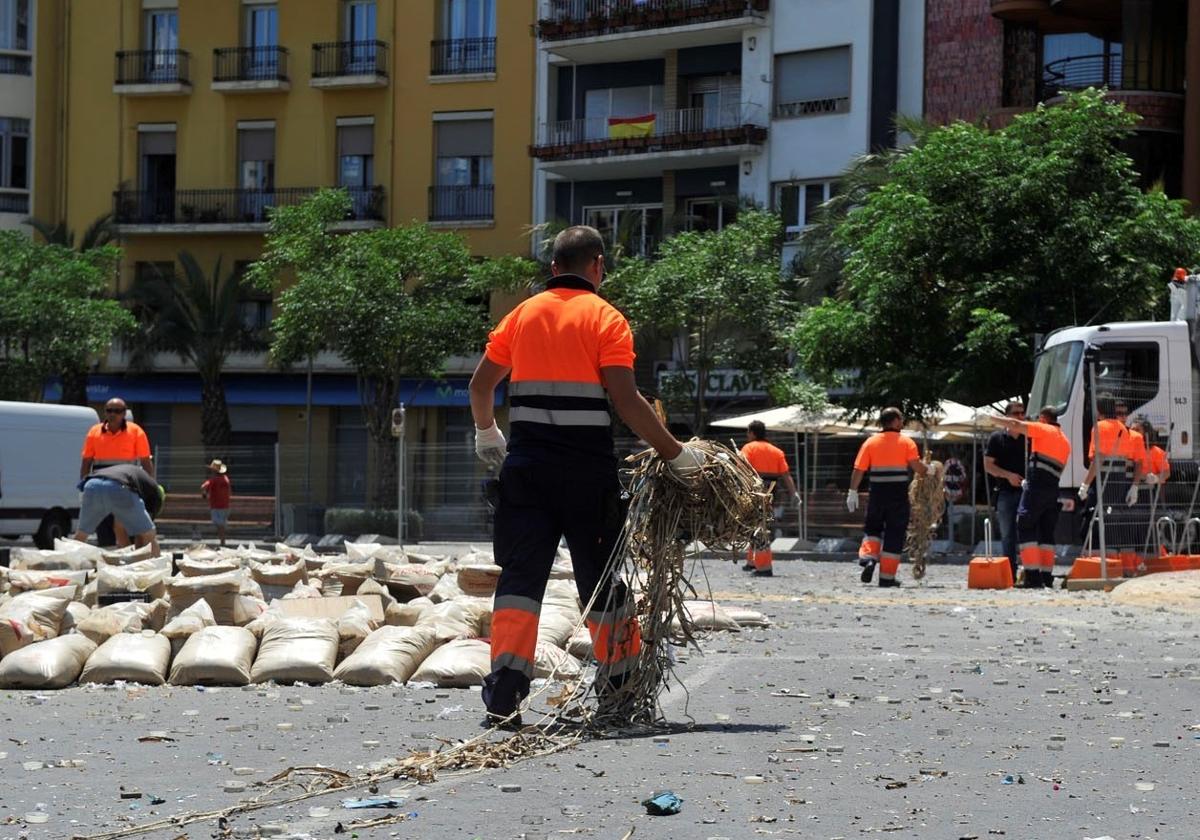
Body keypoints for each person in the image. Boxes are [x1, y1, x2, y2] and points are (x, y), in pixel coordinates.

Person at [468, 225, 705, 728]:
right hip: (586, 473)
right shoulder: (607, 319)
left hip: (526, 472)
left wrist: (488, 433)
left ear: (553, 268)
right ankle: (620, 691)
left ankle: (505, 695)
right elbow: (625, 401)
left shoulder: (522, 314)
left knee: (519, 580)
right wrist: (675, 453)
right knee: (601, 581)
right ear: (597, 266)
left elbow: (480, 385)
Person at [846, 408, 930, 587]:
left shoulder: (870, 442)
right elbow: (917, 467)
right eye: (900, 419)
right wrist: (929, 470)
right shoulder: (906, 442)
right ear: (894, 421)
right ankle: (886, 577)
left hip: (877, 494)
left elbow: (858, 470)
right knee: (894, 534)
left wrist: (852, 491)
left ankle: (868, 559)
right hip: (898, 496)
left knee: (872, 529)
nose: (902, 422)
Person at [994, 405, 1070, 588]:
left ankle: (1033, 576)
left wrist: (992, 419)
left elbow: (1015, 424)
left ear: (1043, 418)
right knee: (1046, 532)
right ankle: (1046, 576)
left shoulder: (1043, 429)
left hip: (1037, 486)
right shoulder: (1065, 441)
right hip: (1053, 488)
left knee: (1025, 524)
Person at [1078, 395, 1145, 576]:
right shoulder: (1124, 429)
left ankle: (1102, 567)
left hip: (1102, 480)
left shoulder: (1098, 428)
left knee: (1096, 520)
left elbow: (1097, 459)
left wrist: (1085, 484)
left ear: (1098, 410)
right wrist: (1134, 486)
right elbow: (1135, 461)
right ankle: (1122, 567)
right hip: (1121, 479)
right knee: (1117, 522)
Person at [79, 398, 154, 547]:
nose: (113, 414)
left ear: (124, 413)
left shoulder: (135, 432)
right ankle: (109, 560)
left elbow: (146, 461)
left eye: (117, 411)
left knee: (127, 526)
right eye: (109, 410)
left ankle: (131, 559)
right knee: (104, 527)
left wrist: (150, 486)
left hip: (126, 485)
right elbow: (86, 462)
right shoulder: (94, 432)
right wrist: (82, 487)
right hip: (100, 484)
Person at [738, 420, 801, 577]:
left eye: (748, 432)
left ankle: (764, 567)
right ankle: (752, 561)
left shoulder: (748, 448)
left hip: (754, 491)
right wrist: (794, 493)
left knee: (758, 527)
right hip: (773, 493)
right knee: (760, 525)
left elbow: (741, 469)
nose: (747, 435)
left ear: (752, 433)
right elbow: (786, 475)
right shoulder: (776, 451)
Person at [73, 463, 163, 557]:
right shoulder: (153, 494)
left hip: (92, 485)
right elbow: (142, 532)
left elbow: (118, 527)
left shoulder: (139, 478)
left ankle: (69, 563)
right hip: (120, 487)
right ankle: (159, 567)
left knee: (81, 534)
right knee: (149, 533)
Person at [983, 401, 1027, 580]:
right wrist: (1008, 476)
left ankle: (1029, 571)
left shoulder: (1029, 438)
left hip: (1027, 493)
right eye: (1016, 413)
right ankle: (1010, 572)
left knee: (1027, 533)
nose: (1020, 417)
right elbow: (988, 466)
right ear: (1007, 416)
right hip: (1005, 493)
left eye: (1022, 413)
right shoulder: (997, 438)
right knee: (1008, 533)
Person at [201, 459, 232, 547]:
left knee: (219, 524)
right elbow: (230, 491)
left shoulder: (214, 480)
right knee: (221, 524)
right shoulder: (226, 479)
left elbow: (203, 487)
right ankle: (222, 541)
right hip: (225, 505)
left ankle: (222, 542)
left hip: (216, 506)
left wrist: (204, 493)